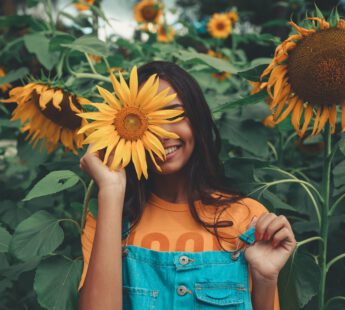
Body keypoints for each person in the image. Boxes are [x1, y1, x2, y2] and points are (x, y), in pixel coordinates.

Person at [77, 61, 296, 309]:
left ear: (197, 119)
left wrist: (265, 280)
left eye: (174, 114)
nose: (162, 134)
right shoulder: (108, 218)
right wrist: (111, 189)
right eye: (145, 123)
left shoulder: (248, 219)